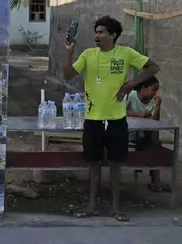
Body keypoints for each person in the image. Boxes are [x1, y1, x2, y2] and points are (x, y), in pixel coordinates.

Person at [63, 15, 160, 222]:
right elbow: (68, 75)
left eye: (101, 32)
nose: (97, 36)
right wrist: (69, 53)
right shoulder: (88, 55)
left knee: (116, 166)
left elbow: (153, 67)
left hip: (116, 120)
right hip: (93, 120)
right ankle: (91, 206)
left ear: (113, 35)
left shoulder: (125, 54)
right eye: (96, 32)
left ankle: (116, 208)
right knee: (93, 164)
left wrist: (131, 84)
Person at [124, 76, 168, 192]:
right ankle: (155, 180)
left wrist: (158, 106)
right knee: (155, 144)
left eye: (156, 90)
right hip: (126, 133)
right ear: (143, 88)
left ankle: (155, 181)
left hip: (143, 135)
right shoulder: (131, 95)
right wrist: (137, 114)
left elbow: (155, 122)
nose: (155, 93)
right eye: (153, 89)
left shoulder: (152, 103)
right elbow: (121, 112)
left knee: (154, 141)